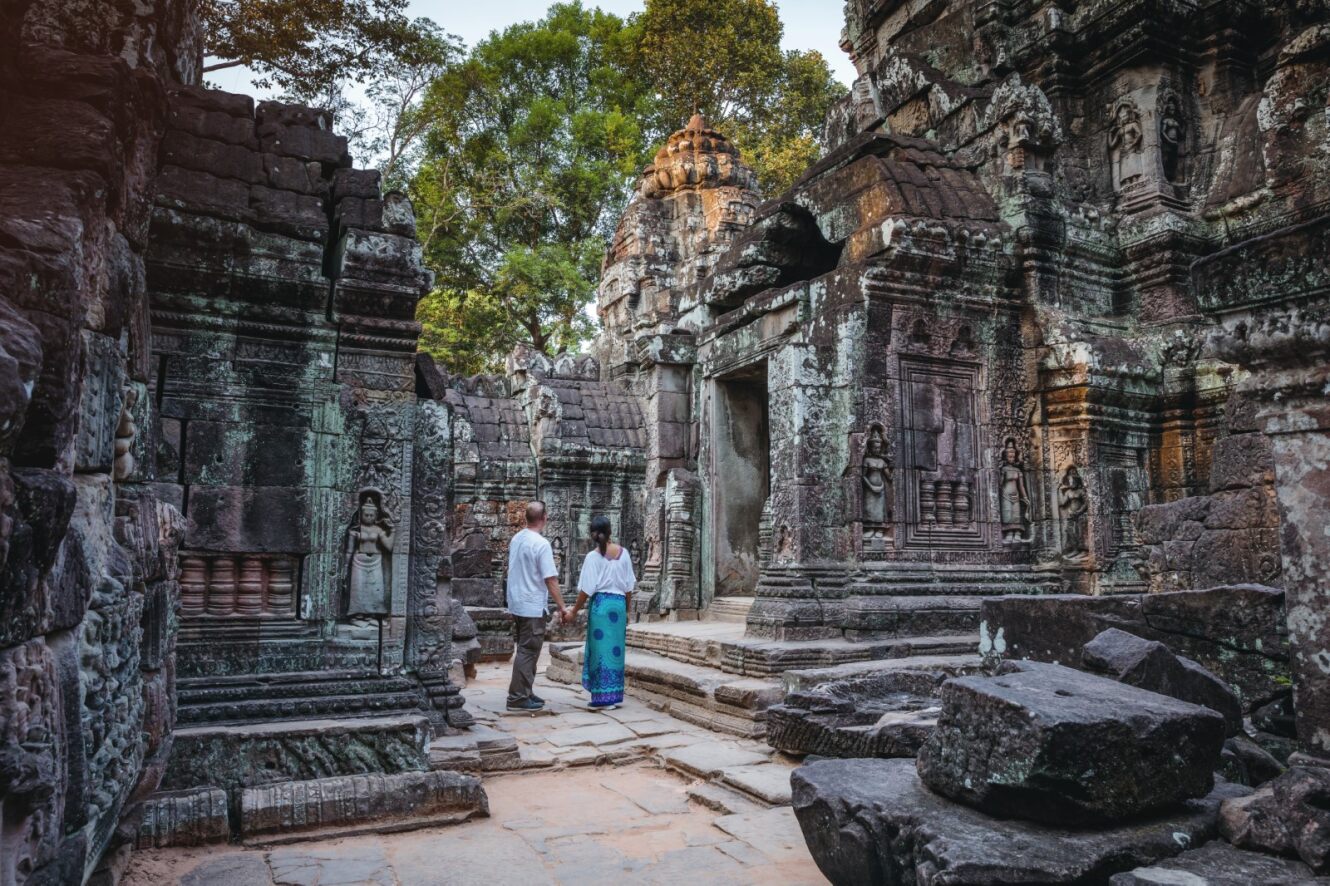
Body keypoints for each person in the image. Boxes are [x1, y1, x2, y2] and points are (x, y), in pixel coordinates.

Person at [564, 516, 634, 711]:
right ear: (610, 531)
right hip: (618, 606)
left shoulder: (593, 557)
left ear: (592, 534)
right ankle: (613, 694)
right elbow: (629, 588)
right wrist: (626, 611)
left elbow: (586, 590)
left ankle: (602, 697)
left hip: (601, 607)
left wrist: (574, 611)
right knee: (615, 651)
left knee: (600, 651)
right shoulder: (624, 553)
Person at [505, 501, 568, 712]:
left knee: (527, 648)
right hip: (531, 604)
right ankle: (517, 697)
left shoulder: (517, 539)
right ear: (544, 518)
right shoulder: (540, 544)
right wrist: (562, 606)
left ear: (526, 518)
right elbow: (550, 579)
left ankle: (525, 691)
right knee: (528, 650)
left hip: (516, 601)